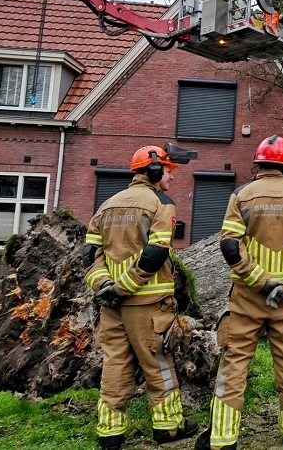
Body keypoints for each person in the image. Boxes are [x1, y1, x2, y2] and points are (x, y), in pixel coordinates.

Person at [195, 135, 283, 450]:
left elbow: (230, 245)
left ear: (258, 162)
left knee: (235, 362)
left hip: (247, 297)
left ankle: (223, 438)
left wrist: (260, 281)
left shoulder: (242, 195)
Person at [84, 143, 198, 450]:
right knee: (159, 363)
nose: (172, 179)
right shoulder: (161, 203)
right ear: (155, 171)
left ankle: (110, 432)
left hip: (112, 306)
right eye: (169, 172)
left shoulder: (106, 205)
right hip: (148, 305)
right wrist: (125, 286)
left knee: (115, 366)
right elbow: (156, 253)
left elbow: (88, 255)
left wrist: (104, 286)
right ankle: (169, 427)